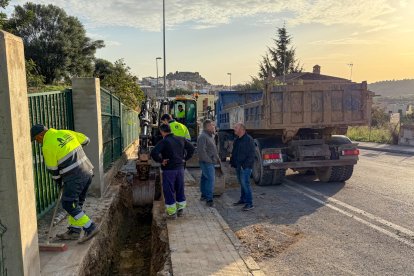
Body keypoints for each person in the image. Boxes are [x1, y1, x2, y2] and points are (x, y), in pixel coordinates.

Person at [30, 124, 99, 243]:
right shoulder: (65, 132)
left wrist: (59, 182)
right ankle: (74, 231)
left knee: (68, 203)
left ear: (40, 136)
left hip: (75, 176)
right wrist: (72, 149)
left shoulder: (47, 146)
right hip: (87, 171)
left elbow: (53, 170)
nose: (38, 142)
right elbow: (86, 139)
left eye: (36, 139)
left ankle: (90, 227)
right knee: (76, 203)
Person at [150, 124, 195, 219]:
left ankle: (172, 213)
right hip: (180, 169)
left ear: (162, 131)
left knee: (169, 190)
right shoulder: (181, 139)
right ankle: (180, 210)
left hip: (169, 170)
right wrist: (185, 158)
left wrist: (161, 161)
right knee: (179, 188)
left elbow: (153, 152)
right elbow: (191, 148)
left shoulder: (164, 141)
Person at [230, 123, 255, 211]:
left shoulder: (248, 140)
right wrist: (233, 163)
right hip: (239, 166)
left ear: (242, 129)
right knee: (242, 183)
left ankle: (249, 203)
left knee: (245, 184)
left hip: (245, 167)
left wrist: (245, 166)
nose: (234, 129)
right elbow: (235, 153)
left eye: (236, 128)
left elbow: (252, 155)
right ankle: (243, 199)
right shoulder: (238, 139)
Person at [197, 119, 219, 207]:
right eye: (212, 125)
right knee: (210, 180)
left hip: (209, 161)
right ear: (207, 127)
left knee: (204, 178)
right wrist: (209, 161)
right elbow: (201, 151)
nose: (214, 127)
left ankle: (204, 195)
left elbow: (212, 149)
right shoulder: (203, 137)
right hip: (207, 162)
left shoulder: (209, 136)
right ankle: (209, 200)